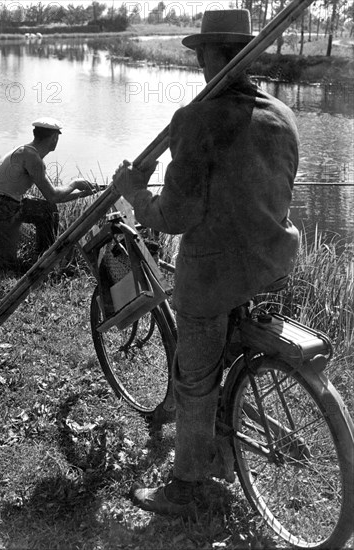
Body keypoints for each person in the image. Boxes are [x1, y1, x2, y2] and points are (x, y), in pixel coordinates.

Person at [112, 9, 300, 516]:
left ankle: (188, 486)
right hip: (275, 258)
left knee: (194, 380)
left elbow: (173, 217)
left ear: (210, 55)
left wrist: (134, 193)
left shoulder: (194, 120)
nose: (198, 63)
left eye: (199, 54)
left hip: (215, 274)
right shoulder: (282, 114)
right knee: (219, 344)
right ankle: (228, 413)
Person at [0, 117, 96, 273]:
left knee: (47, 210)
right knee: (6, 265)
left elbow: (53, 196)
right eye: (57, 137)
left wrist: (82, 193)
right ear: (54, 138)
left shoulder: (29, 152)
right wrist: (75, 184)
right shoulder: (32, 158)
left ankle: (44, 260)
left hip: (1, 204)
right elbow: (53, 196)